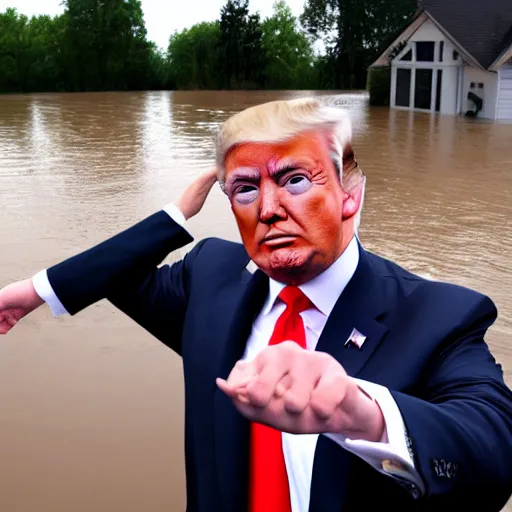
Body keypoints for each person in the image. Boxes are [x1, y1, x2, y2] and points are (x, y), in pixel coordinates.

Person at [1, 98, 512, 512]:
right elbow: (119, 275)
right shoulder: (209, 278)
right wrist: (172, 219)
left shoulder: (438, 314)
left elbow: (494, 455)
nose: (268, 209)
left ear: (350, 194)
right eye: (245, 189)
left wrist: (362, 414)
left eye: (294, 179)